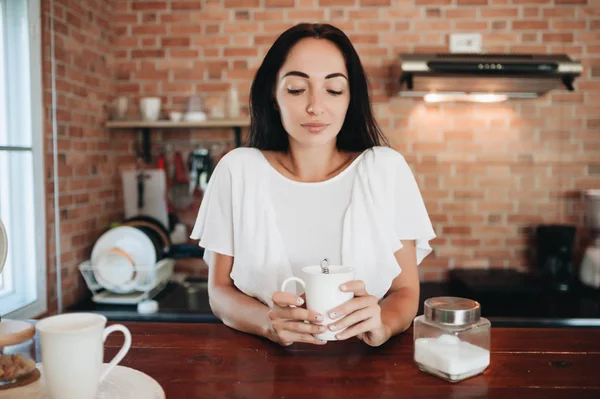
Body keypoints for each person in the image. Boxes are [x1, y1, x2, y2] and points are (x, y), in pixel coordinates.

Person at [191, 23, 435, 347]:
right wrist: (268, 323)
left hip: (364, 371)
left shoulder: (385, 169)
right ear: (274, 96)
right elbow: (219, 291)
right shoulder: (238, 170)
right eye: (296, 89)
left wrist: (383, 325)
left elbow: (405, 292)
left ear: (351, 98)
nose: (315, 106)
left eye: (333, 90)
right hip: (260, 375)